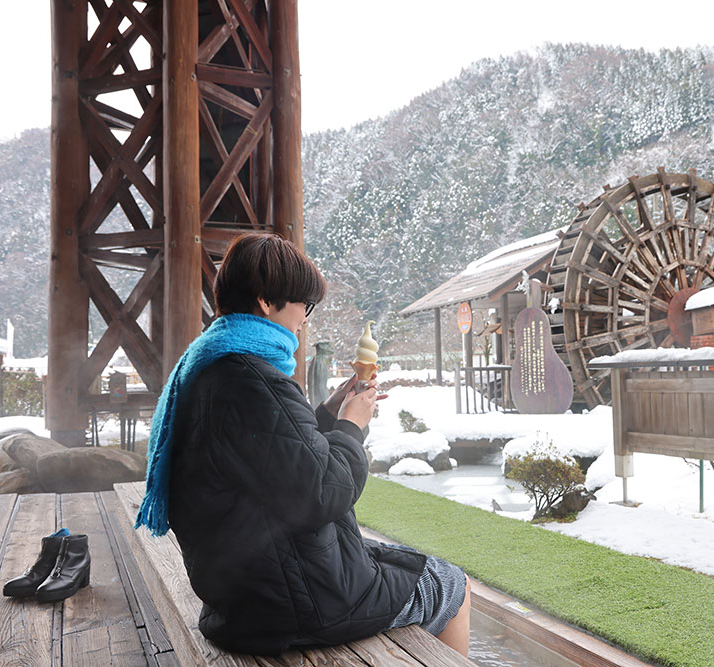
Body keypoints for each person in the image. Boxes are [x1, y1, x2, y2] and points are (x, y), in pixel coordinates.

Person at [134, 233, 470, 656]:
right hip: (293, 604)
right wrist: (352, 426)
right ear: (264, 301)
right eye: (303, 305)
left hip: (240, 594)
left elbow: (272, 457)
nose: (306, 319)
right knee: (452, 583)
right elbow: (324, 492)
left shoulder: (210, 366)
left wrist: (328, 413)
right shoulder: (254, 380)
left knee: (398, 558)